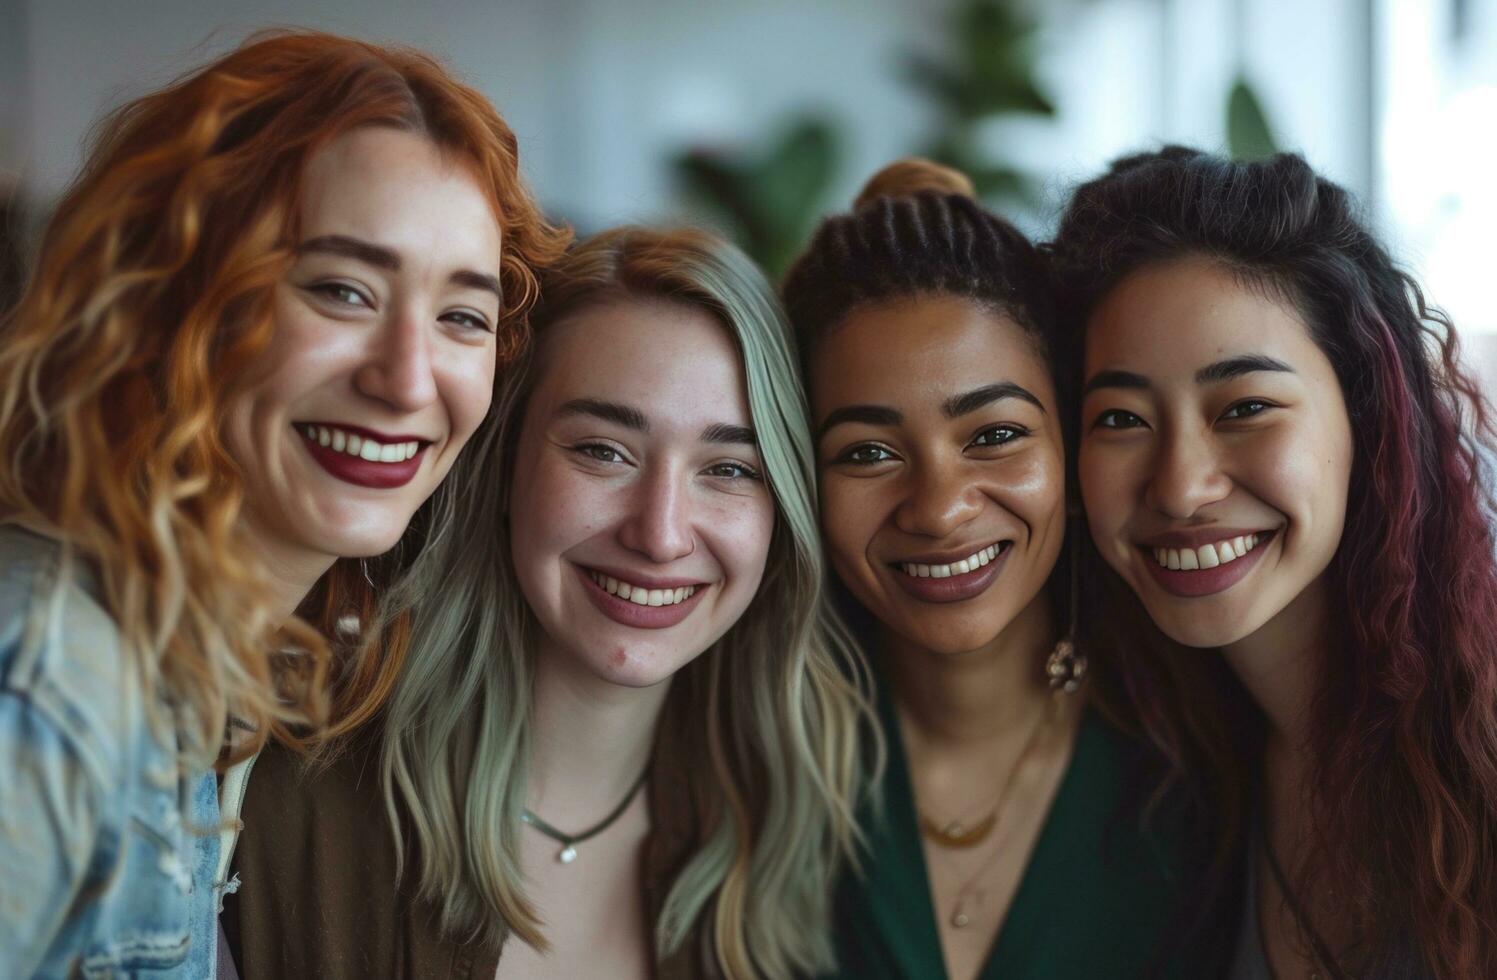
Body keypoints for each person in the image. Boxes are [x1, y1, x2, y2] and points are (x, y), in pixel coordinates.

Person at [0, 30, 566, 977]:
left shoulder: (227, 675)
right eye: (341, 291)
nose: (405, 378)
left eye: (460, 315)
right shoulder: (51, 690)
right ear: (170, 299)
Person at [225, 226, 872, 980]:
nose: (659, 534)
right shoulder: (284, 790)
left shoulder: (795, 843)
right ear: (505, 468)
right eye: (602, 450)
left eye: (728, 468)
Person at [1050, 146, 1497, 978]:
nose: (1181, 487)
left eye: (1246, 407)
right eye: (1118, 419)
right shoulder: (1168, 777)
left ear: (1369, 413)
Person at [781, 159, 1215, 980]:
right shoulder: (752, 756)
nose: (939, 509)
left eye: (993, 435)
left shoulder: (1198, 748)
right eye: (867, 452)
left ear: (1074, 444)